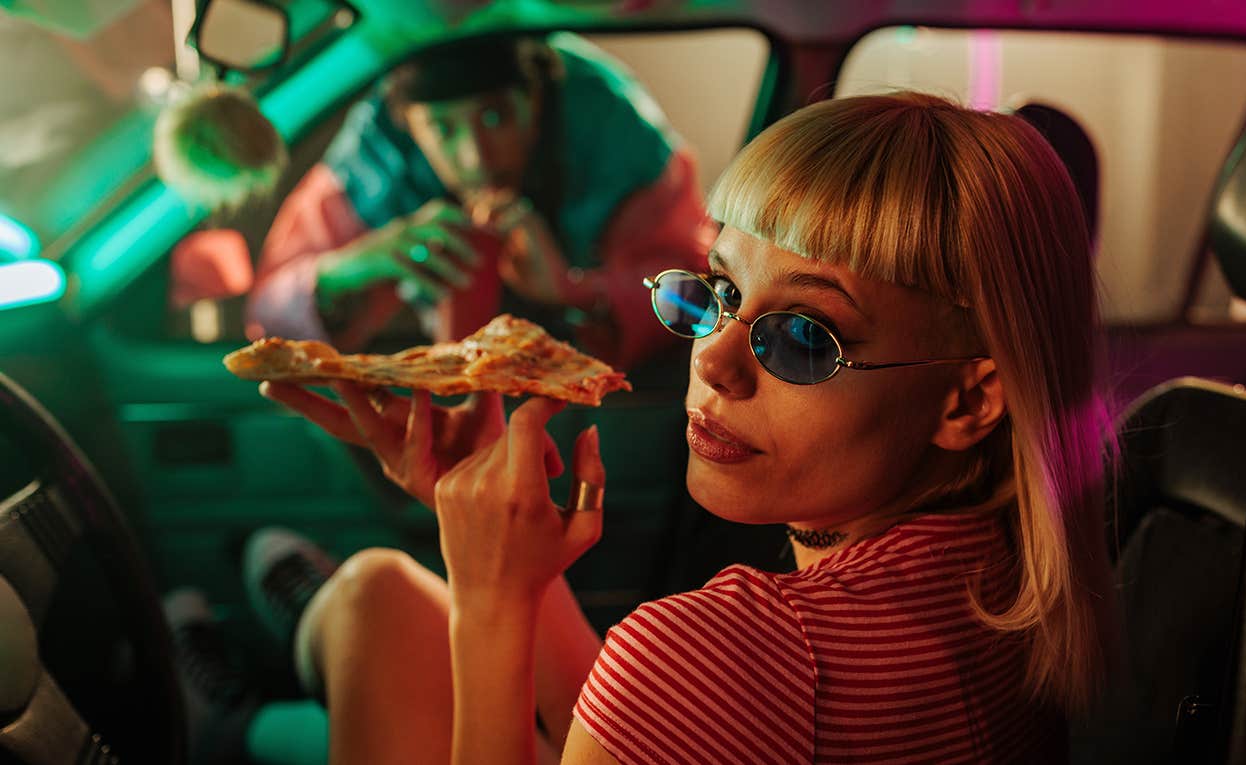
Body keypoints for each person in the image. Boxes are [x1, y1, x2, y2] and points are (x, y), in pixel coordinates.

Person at [258, 90, 1118, 763]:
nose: (713, 360)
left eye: (802, 337)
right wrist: (506, 552)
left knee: (366, 619)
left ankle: (239, 721)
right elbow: (654, 725)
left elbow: (673, 694)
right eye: (721, 292)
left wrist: (486, 601)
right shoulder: (1010, 581)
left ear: (968, 401)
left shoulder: (728, 647)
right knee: (378, 592)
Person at [246, 32, 711, 368]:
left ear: (535, 96)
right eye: (443, 129)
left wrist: (573, 289)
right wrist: (351, 267)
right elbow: (267, 323)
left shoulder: (610, 126)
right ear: (407, 122)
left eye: (495, 116)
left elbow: (696, 301)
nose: (475, 157)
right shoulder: (376, 156)